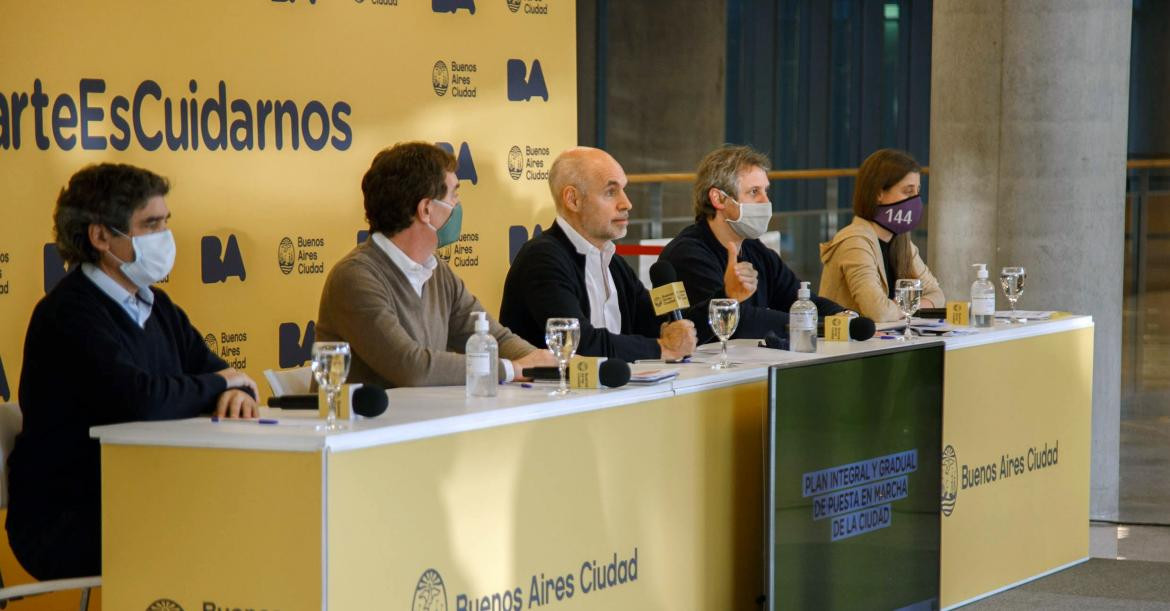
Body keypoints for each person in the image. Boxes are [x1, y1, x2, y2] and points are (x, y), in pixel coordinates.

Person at [7, 163, 259, 581]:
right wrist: (219, 385)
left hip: (150, 494)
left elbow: (227, 375)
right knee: (222, 535)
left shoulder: (159, 307)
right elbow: (139, 398)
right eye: (151, 225)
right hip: (70, 517)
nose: (165, 238)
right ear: (101, 236)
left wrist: (237, 392)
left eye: (165, 223)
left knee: (247, 524)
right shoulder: (67, 314)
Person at [316, 142, 553, 387]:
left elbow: (495, 338)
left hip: (423, 420)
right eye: (454, 195)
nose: (458, 205)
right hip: (362, 424)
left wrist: (552, 363)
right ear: (426, 209)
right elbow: (411, 367)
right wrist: (510, 369)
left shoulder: (437, 271)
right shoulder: (355, 278)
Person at [499, 147, 697, 362]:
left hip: (612, 390)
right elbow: (579, 344)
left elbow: (652, 323)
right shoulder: (542, 259)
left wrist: (730, 296)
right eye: (611, 192)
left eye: (623, 190)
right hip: (554, 393)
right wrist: (661, 348)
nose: (627, 203)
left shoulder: (614, 263)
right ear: (573, 199)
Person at [660, 145, 846, 341]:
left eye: (766, 191)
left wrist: (844, 317)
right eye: (754, 192)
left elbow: (800, 298)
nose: (765, 201)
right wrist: (819, 326)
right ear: (719, 199)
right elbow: (737, 321)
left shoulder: (755, 249)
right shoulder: (687, 253)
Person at [818, 149, 944, 322]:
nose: (916, 199)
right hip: (850, 346)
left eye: (917, 191)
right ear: (878, 194)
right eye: (908, 191)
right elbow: (879, 312)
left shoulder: (901, 240)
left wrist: (900, 307)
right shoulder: (854, 242)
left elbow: (937, 295)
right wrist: (912, 306)